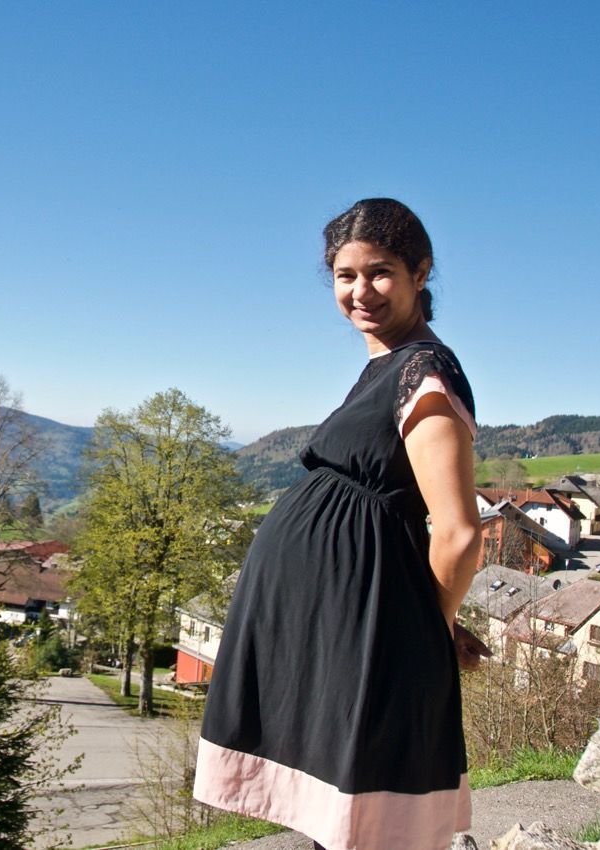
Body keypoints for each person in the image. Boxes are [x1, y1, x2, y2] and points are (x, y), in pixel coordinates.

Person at [193, 198, 487, 850]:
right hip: (343, 626)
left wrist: (428, 628)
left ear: (421, 270)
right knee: (341, 817)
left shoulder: (424, 369)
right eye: (344, 275)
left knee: (368, 823)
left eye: (379, 272)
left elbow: (459, 531)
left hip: (373, 635)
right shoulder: (388, 365)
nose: (360, 292)